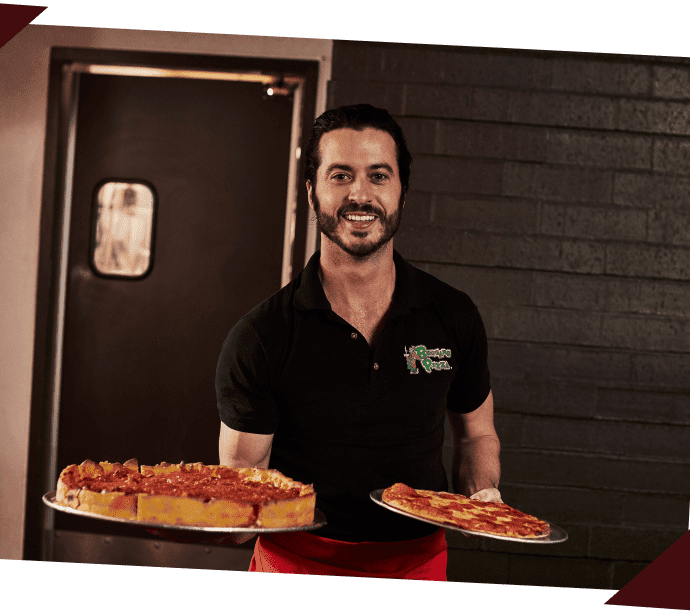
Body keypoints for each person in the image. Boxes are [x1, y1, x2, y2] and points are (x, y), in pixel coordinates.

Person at [215, 104, 501, 580]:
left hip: (417, 567)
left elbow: (477, 434)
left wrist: (482, 497)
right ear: (312, 191)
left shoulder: (453, 316)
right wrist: (198, 515)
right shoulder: (261, 337)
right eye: (341, 175)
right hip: (295, 567)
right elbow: (244, 496)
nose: (360, 194)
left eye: (379, 176)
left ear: (402, 191)